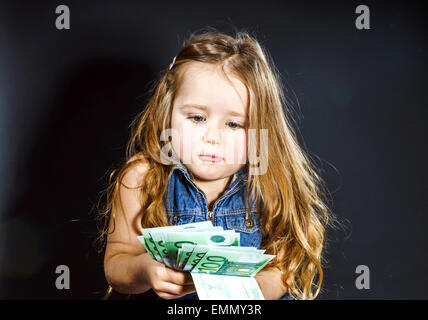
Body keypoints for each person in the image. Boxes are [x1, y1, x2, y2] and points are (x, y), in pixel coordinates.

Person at [96, 28, 335, 300]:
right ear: (168, 109)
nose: (212, 137)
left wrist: (242, 295)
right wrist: (144, 268)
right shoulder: (141, 178)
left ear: (260, 128)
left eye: (233, 124)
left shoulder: (269, 183)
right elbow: (117, 262)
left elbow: (283, 269)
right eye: (197, 118)